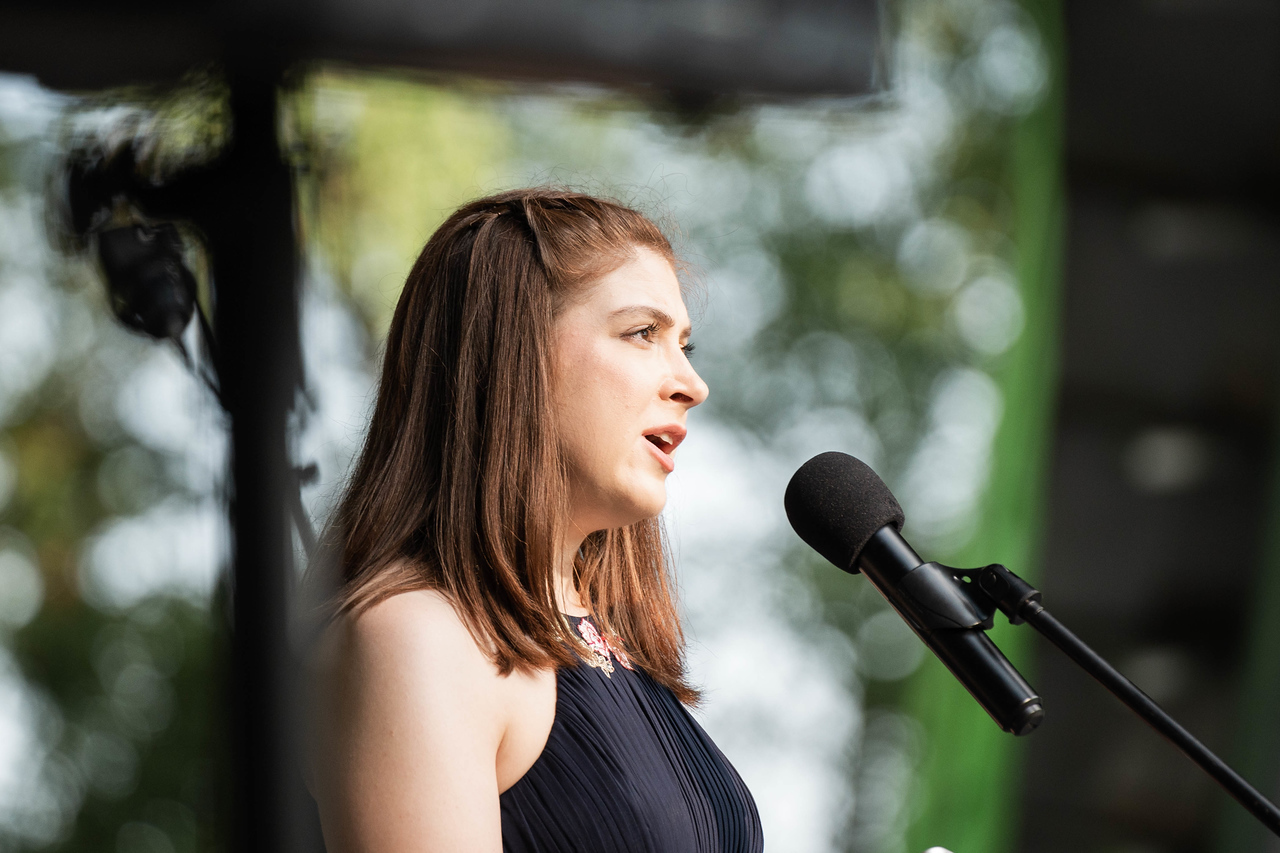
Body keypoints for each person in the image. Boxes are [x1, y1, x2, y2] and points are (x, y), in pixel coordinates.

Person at [306, 188, 764, 852]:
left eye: (684, 344)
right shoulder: (420, 637)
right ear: (516, 351)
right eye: (643, 333)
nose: (692, 383)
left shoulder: (608, 645)